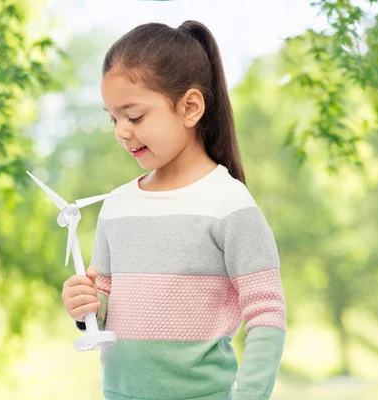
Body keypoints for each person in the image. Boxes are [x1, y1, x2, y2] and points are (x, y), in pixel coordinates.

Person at [61, 20, 287, 400]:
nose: (120, 131)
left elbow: (267, 314)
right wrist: (85, 307)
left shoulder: (229, 204)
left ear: (190, 107)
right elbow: (105, 310)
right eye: (113, 118)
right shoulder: (115, 206)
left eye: (134, 116)